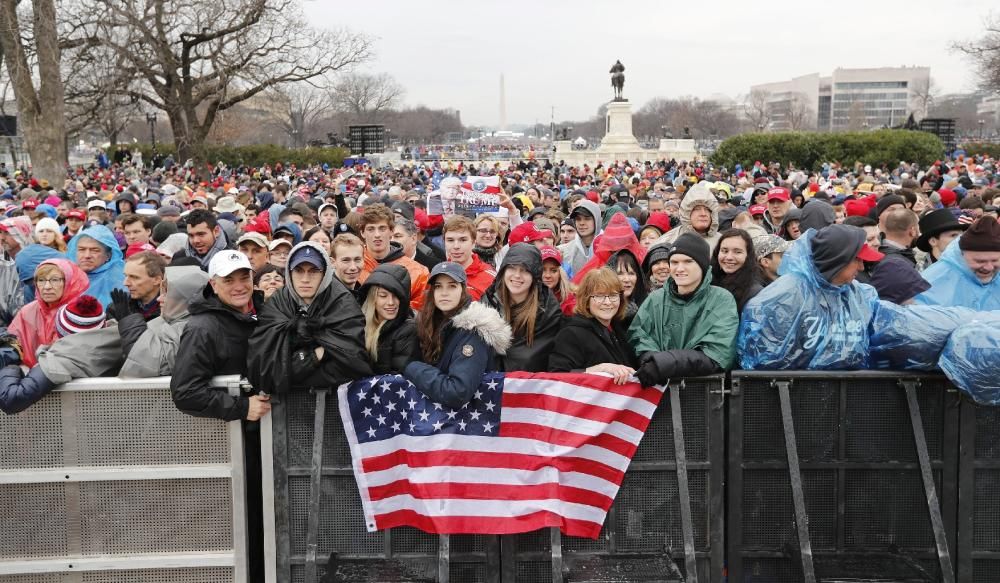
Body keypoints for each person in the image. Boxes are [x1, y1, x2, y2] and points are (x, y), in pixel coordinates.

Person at [739, 225, 884, 370]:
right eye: (857, 260)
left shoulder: (859, 293)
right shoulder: (784, 297)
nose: (861, 268)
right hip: (793, 390)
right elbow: (763, 359)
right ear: (837, 261)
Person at [247, 242, 373, 395]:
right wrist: (318, 353)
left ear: (325, 273)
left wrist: (290, 371)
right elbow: (263, 367)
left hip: (334, 405)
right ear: (289, 273)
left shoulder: (342, 302)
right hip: (285, 411)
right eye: (299, 270)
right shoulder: (278, 303)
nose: (305, 279)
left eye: (314, 271)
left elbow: (352, 362)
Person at [629, 233, 739, 384]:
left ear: (702, 265)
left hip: (704, 393)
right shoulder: (656, 299)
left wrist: (664, 363)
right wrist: (649, 358)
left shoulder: (721, 299)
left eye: (688, 261)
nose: (679, 268)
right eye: (674, 262)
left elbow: (717, 353)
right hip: (659, 391)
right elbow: (638, 335)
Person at [403, 262, 512, 409]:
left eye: (452, 286)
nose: (444, 292)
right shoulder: (431, 323)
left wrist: (411, 368)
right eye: (438, 286)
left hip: (468, 423)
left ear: (463, 290)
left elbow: (457, 392)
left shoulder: (474, 331)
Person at [1, 294, 117, 415]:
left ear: (62, 330)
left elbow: (11, 399)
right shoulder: (120, 337)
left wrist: (11, 368)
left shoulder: (60, 361)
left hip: (71, 424)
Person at [480, 243, 562, 372]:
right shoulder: (487, 304)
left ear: (534, 276)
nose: (517, 275)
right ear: (503, 271)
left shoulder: (548, 313)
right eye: (512, 268)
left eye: (524, 270)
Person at [549, 267, 636, 383]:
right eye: (599, 296)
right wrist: (600, 369)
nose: (607, 302)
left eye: (613, 295)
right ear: (586, 300)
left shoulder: (617, 329)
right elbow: (557, 377)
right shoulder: (571, 334)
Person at [119, 265, 210, 377]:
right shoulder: (171, 321)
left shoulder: (191, 329)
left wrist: (129, 323)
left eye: (167, 293)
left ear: (184, 298)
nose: (159, 298)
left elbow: (147, 362)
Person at [8, 259, 90, 367]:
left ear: (69, 281)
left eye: (55, 280)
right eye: (41, 280)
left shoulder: (81, 311)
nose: (47, 287)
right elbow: (12, 344)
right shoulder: (27, 311)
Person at [913, 216, 1000, 311]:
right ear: (961, 255)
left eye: (995, 260)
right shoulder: (933, 280)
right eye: (980, 261)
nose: (989, 267)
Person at [358, 204, 428, 310]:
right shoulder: (352, 265)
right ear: (362, 233)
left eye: (382, 228)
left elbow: (420, 314)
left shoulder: (417, 272)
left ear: (391, 231)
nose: (377, 234)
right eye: (371, 229)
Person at [358, 264, 419, 375]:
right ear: (373, 298)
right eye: (383, 295)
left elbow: (398, 377)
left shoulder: (408, 329)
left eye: (396, 296)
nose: (391, 302)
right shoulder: (359, 324)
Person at [870, 208, 930, 305]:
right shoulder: (894, 264)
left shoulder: (885, 254)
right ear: (913, 231)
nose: (919, 232)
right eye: (918, 227)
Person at [66, 225, 125, 308]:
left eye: (95, 250)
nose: (87, 255)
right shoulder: (67, 274)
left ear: (108, 255)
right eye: (82, 249)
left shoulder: (118, 278)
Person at [652, 180, 721, 251]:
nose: (703, 214)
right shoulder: (667, 241)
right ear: (686, 213)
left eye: (707, 209)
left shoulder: (722, 243)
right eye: (696, 209)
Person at [442, 215, 496, 301]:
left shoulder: (490, 278)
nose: (456, 246)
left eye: (463, 240)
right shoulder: (438, 274)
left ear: (474, 242)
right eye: (450, 240)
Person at [711, 229, 763, 313]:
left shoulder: (754, 293)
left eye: (737, 252)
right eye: (724, 251)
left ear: (748, 256)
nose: (729, 257)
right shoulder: (708, 281)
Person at [108, 251, 166, 321]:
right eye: (126, 276)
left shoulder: (172, 310)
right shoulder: (116, 307)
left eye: (134, 277)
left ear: (156, 280)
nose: (125, 283)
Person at [559, 199, 603, 275]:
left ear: (596, 220)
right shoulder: (563, 251)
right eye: (578, 219)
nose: (582, 223)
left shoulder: (609, 249)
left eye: (587, 218)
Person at [331, 233, 365, 300]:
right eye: (346, 260)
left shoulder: (363, 292)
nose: (353, 267)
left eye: (357, 260)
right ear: (332, 262)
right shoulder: (328, 298)